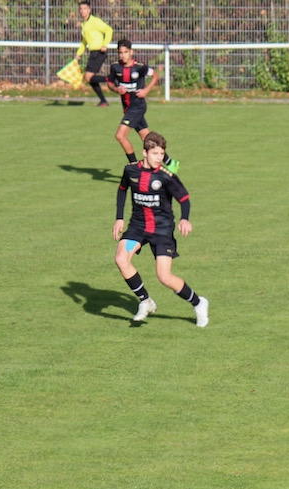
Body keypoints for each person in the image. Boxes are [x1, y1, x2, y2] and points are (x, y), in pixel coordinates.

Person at [113, 132, 208, 327]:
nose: (159, 158)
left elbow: (184, 199)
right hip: (138, 227)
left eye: (162, 154)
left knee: (164, 277)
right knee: (121, 259)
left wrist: (185, 219)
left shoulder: (166, 176)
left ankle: (198, 303)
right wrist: (119, 218)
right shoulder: (131, 171)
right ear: (144, 152)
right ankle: (145, 301)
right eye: (155, 153)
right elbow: (122, 190)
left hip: (161, 230)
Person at [106, 39, 178, 172]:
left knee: (120, 136)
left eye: (126, 52)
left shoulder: (140, 67)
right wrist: (116, 89)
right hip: (128, 108)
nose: (123, 55)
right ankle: (170, 162)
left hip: (138, 106)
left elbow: (155, 76)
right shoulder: (115, 67)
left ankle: (135, 167)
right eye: (120, 53)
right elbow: (109, 83)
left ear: (131, 52)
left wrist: (146, 90)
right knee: (146, 138)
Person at [75, 0, 113, 107]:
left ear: (89, 10)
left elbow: (109, 30)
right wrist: (78, 54)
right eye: (81, 9)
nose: (82, 11)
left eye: (85, 9)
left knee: (88, 77)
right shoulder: (84, 24)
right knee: (90, 78)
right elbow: (84, 42)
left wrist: (105, 44)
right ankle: (103, 101)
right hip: (93, 53)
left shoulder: (95, 21)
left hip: (99, 52)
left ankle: (110, 79)